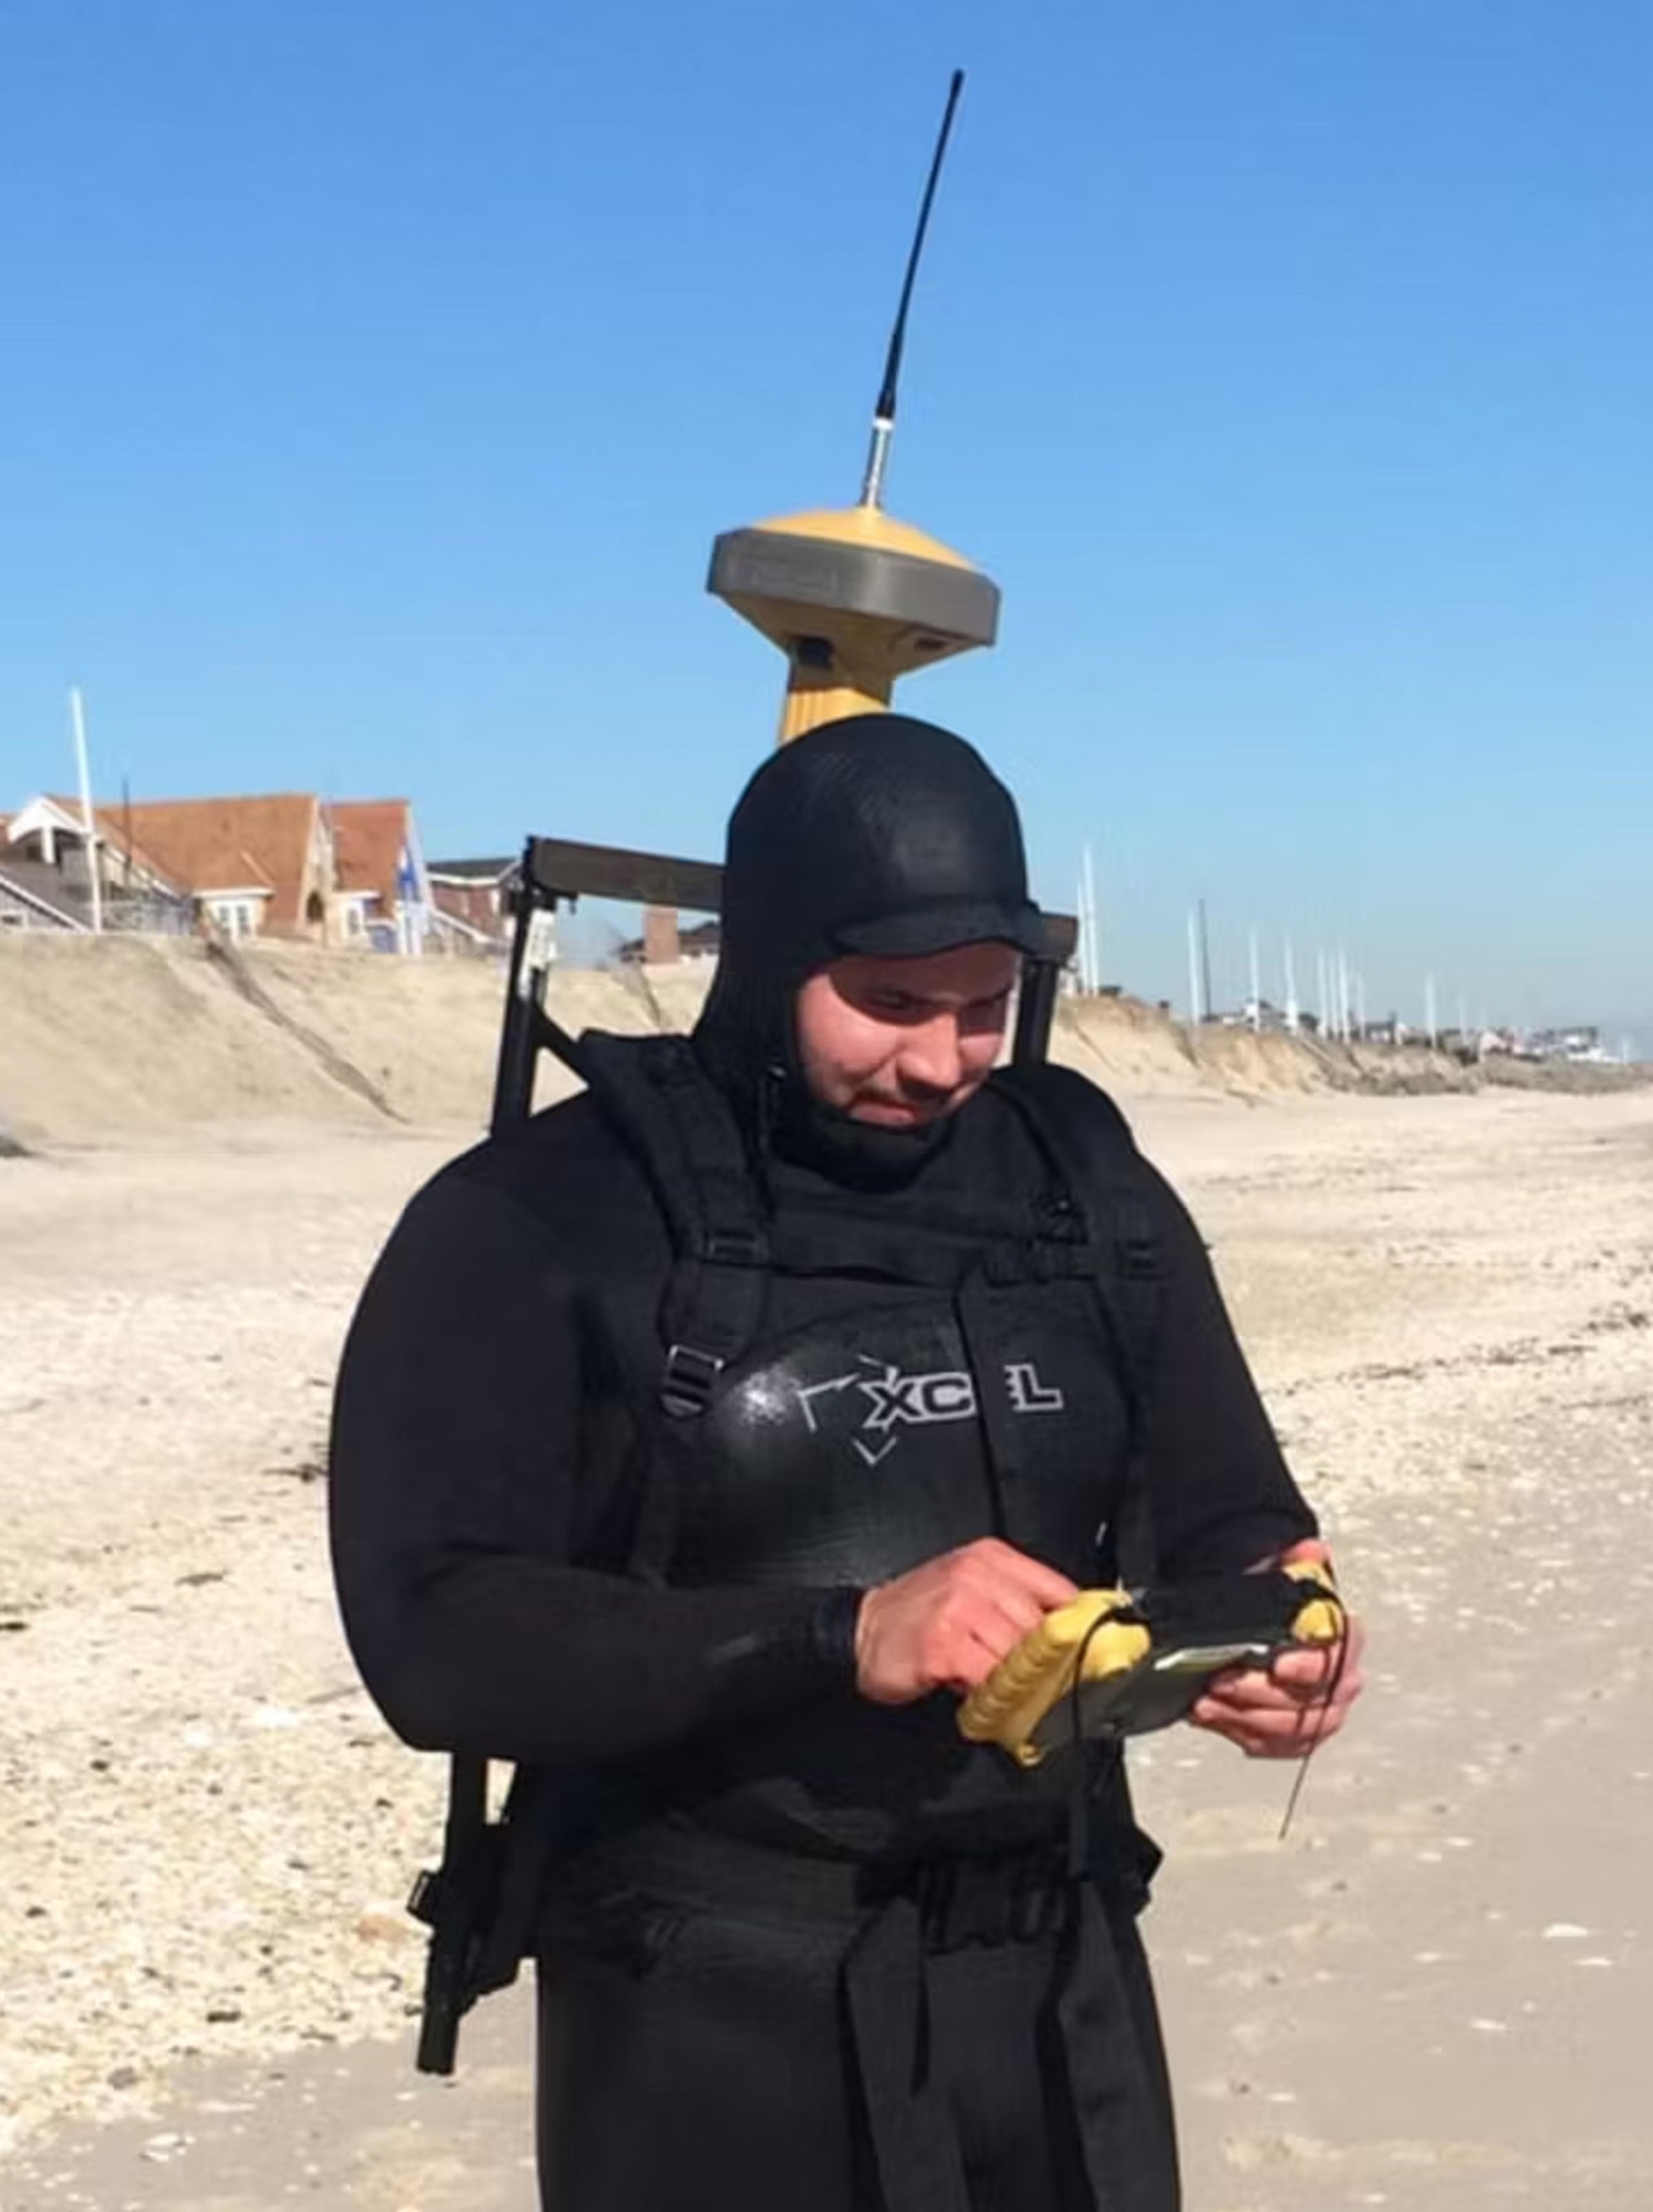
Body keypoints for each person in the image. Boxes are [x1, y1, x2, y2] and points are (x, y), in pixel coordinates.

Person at [329, 713, 1362, 2212]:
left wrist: (1275, 1636)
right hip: (713, 2010)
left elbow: (1237, 1513)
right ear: (767, 955)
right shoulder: (539, 1215)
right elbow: (433, 1633)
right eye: (887, 1002)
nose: (942, 1060)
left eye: (984, 1006)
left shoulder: (1085, 1191)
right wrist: (841, 1633)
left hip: (1058, 1984)